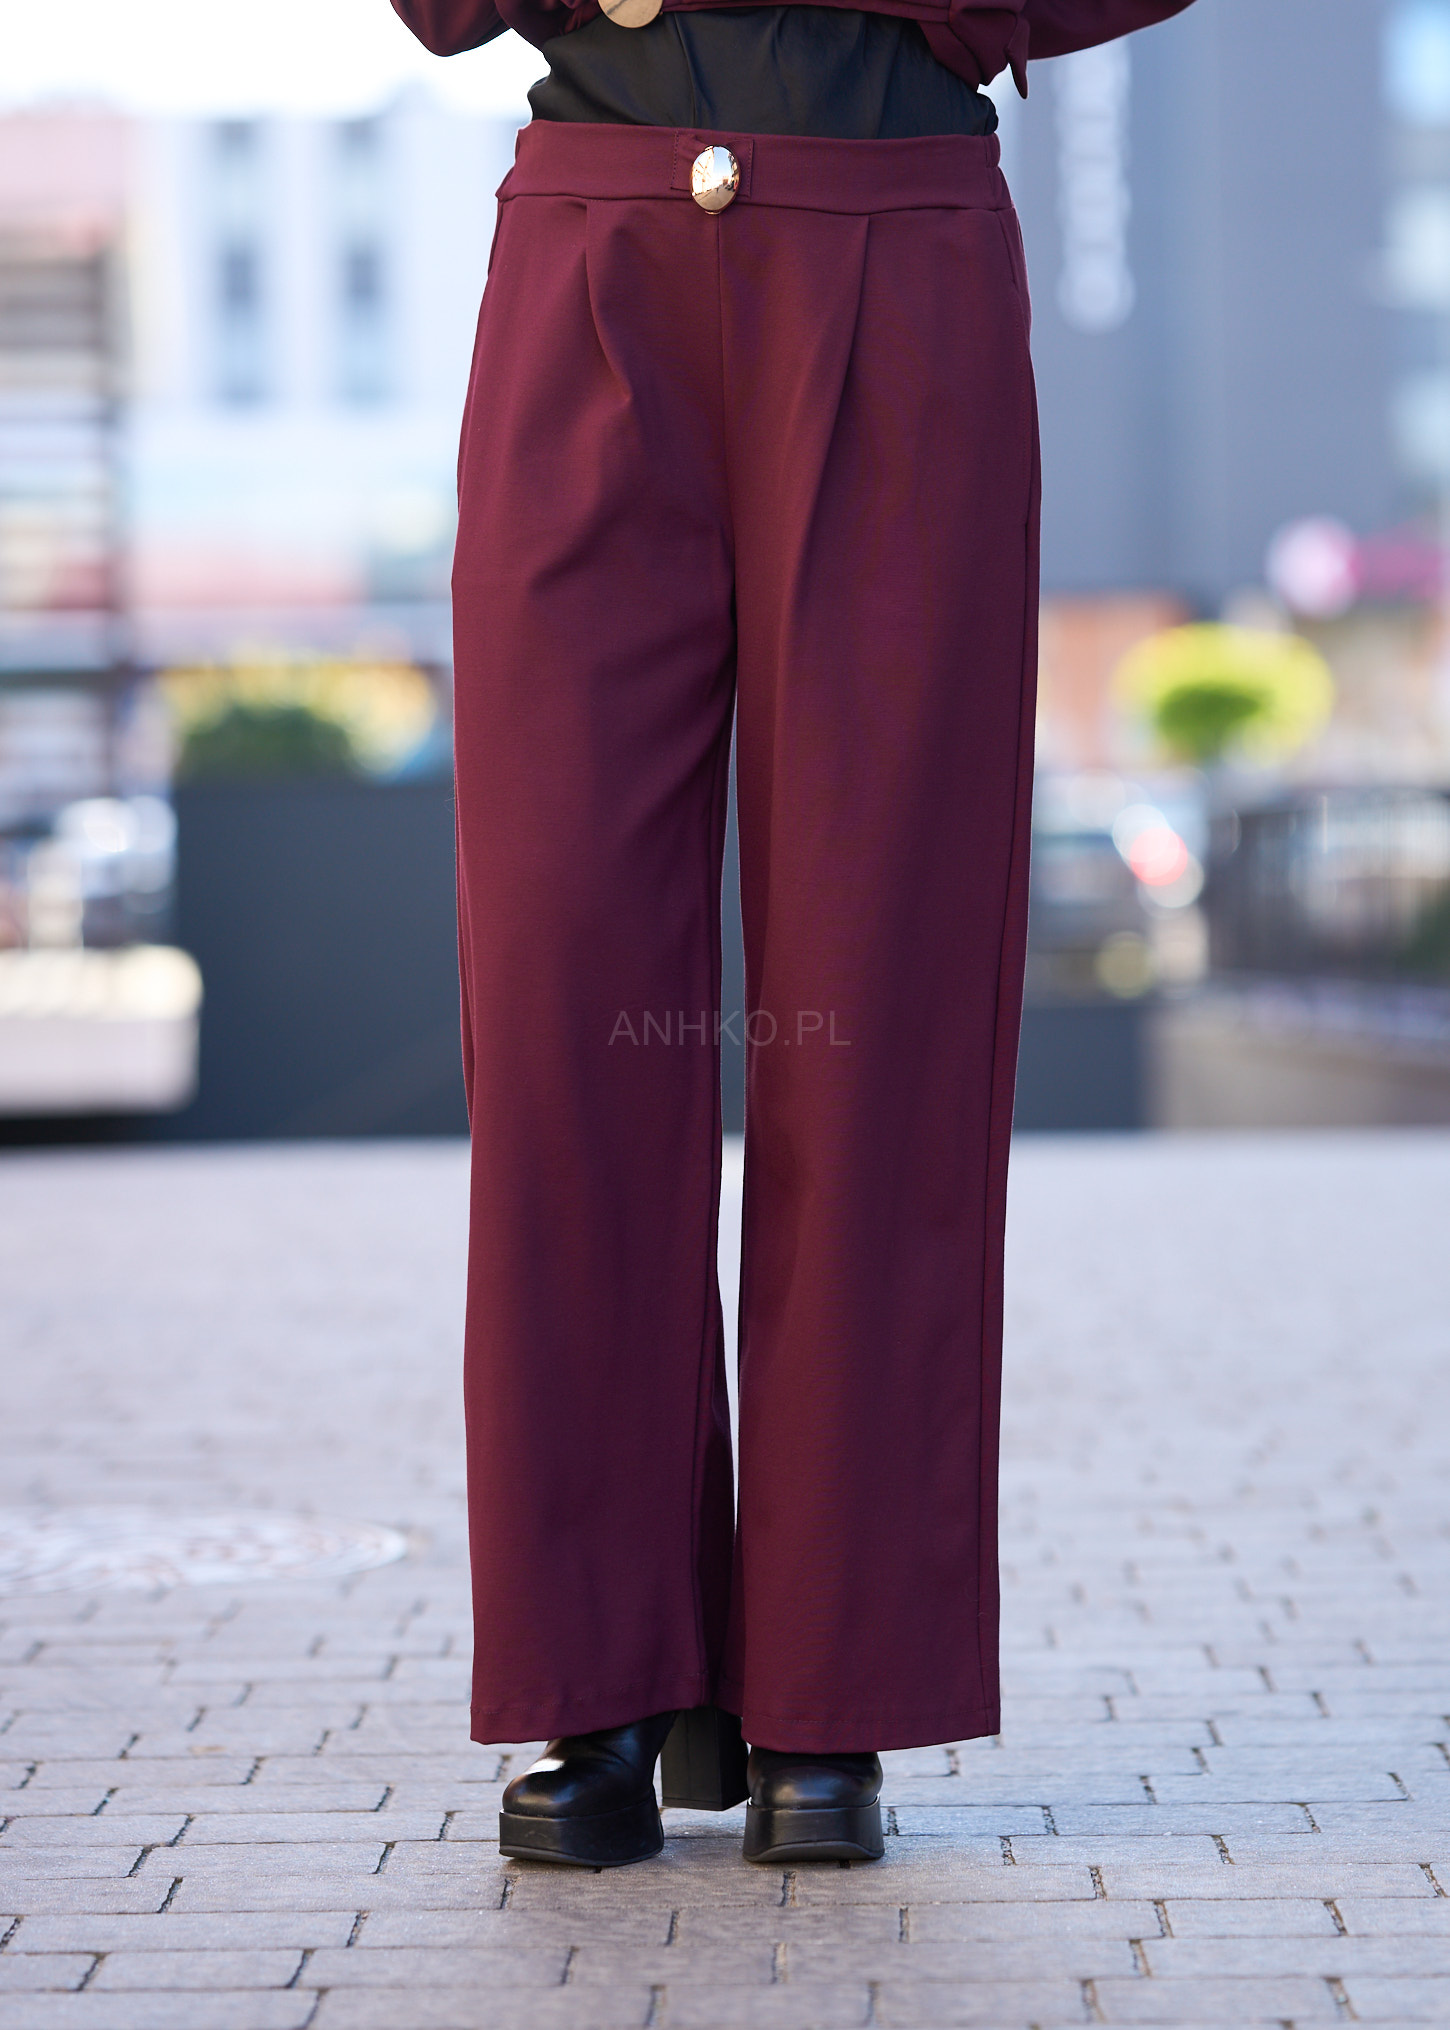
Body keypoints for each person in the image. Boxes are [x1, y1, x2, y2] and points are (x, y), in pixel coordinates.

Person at [391, 0, 1194, 1868]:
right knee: (564, 1006)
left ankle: (837, 1689)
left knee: (877, 1000)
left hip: (897, 253)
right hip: (591, 259)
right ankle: (596, 1674)